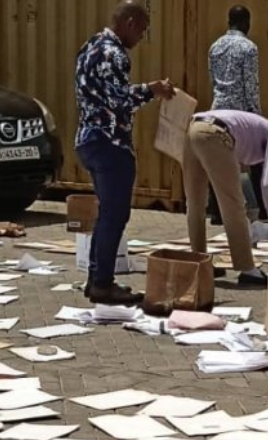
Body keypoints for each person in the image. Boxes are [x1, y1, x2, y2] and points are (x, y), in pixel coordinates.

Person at [75, 0, 174, 305]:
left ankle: (96, 280)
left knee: (107, 214)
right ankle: (102, 283)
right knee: (115, 215)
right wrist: (152, 89)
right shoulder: (114, 53)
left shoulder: (89, 46)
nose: (141, 37)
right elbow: (119, 101)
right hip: (110, 143)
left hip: (88, 140)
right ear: (129, 22)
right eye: (142, 30)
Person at [182, 111, 268, 286]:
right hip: (215, 133)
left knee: (195, 203)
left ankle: (200, 263)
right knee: (233, 205)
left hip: (192, 128)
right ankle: (247, 269)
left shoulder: (256, 130)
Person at [207, 5, 267, 223]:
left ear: (228, 21)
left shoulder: (215, 47)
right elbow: (251, 85)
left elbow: (213, 79)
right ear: (246, 23)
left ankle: (216, 211)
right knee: (253, 160)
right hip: (240, 113)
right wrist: (257, 115)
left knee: (217, 161)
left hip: (218, 109)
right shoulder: (249, 48)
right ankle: (262, 208)